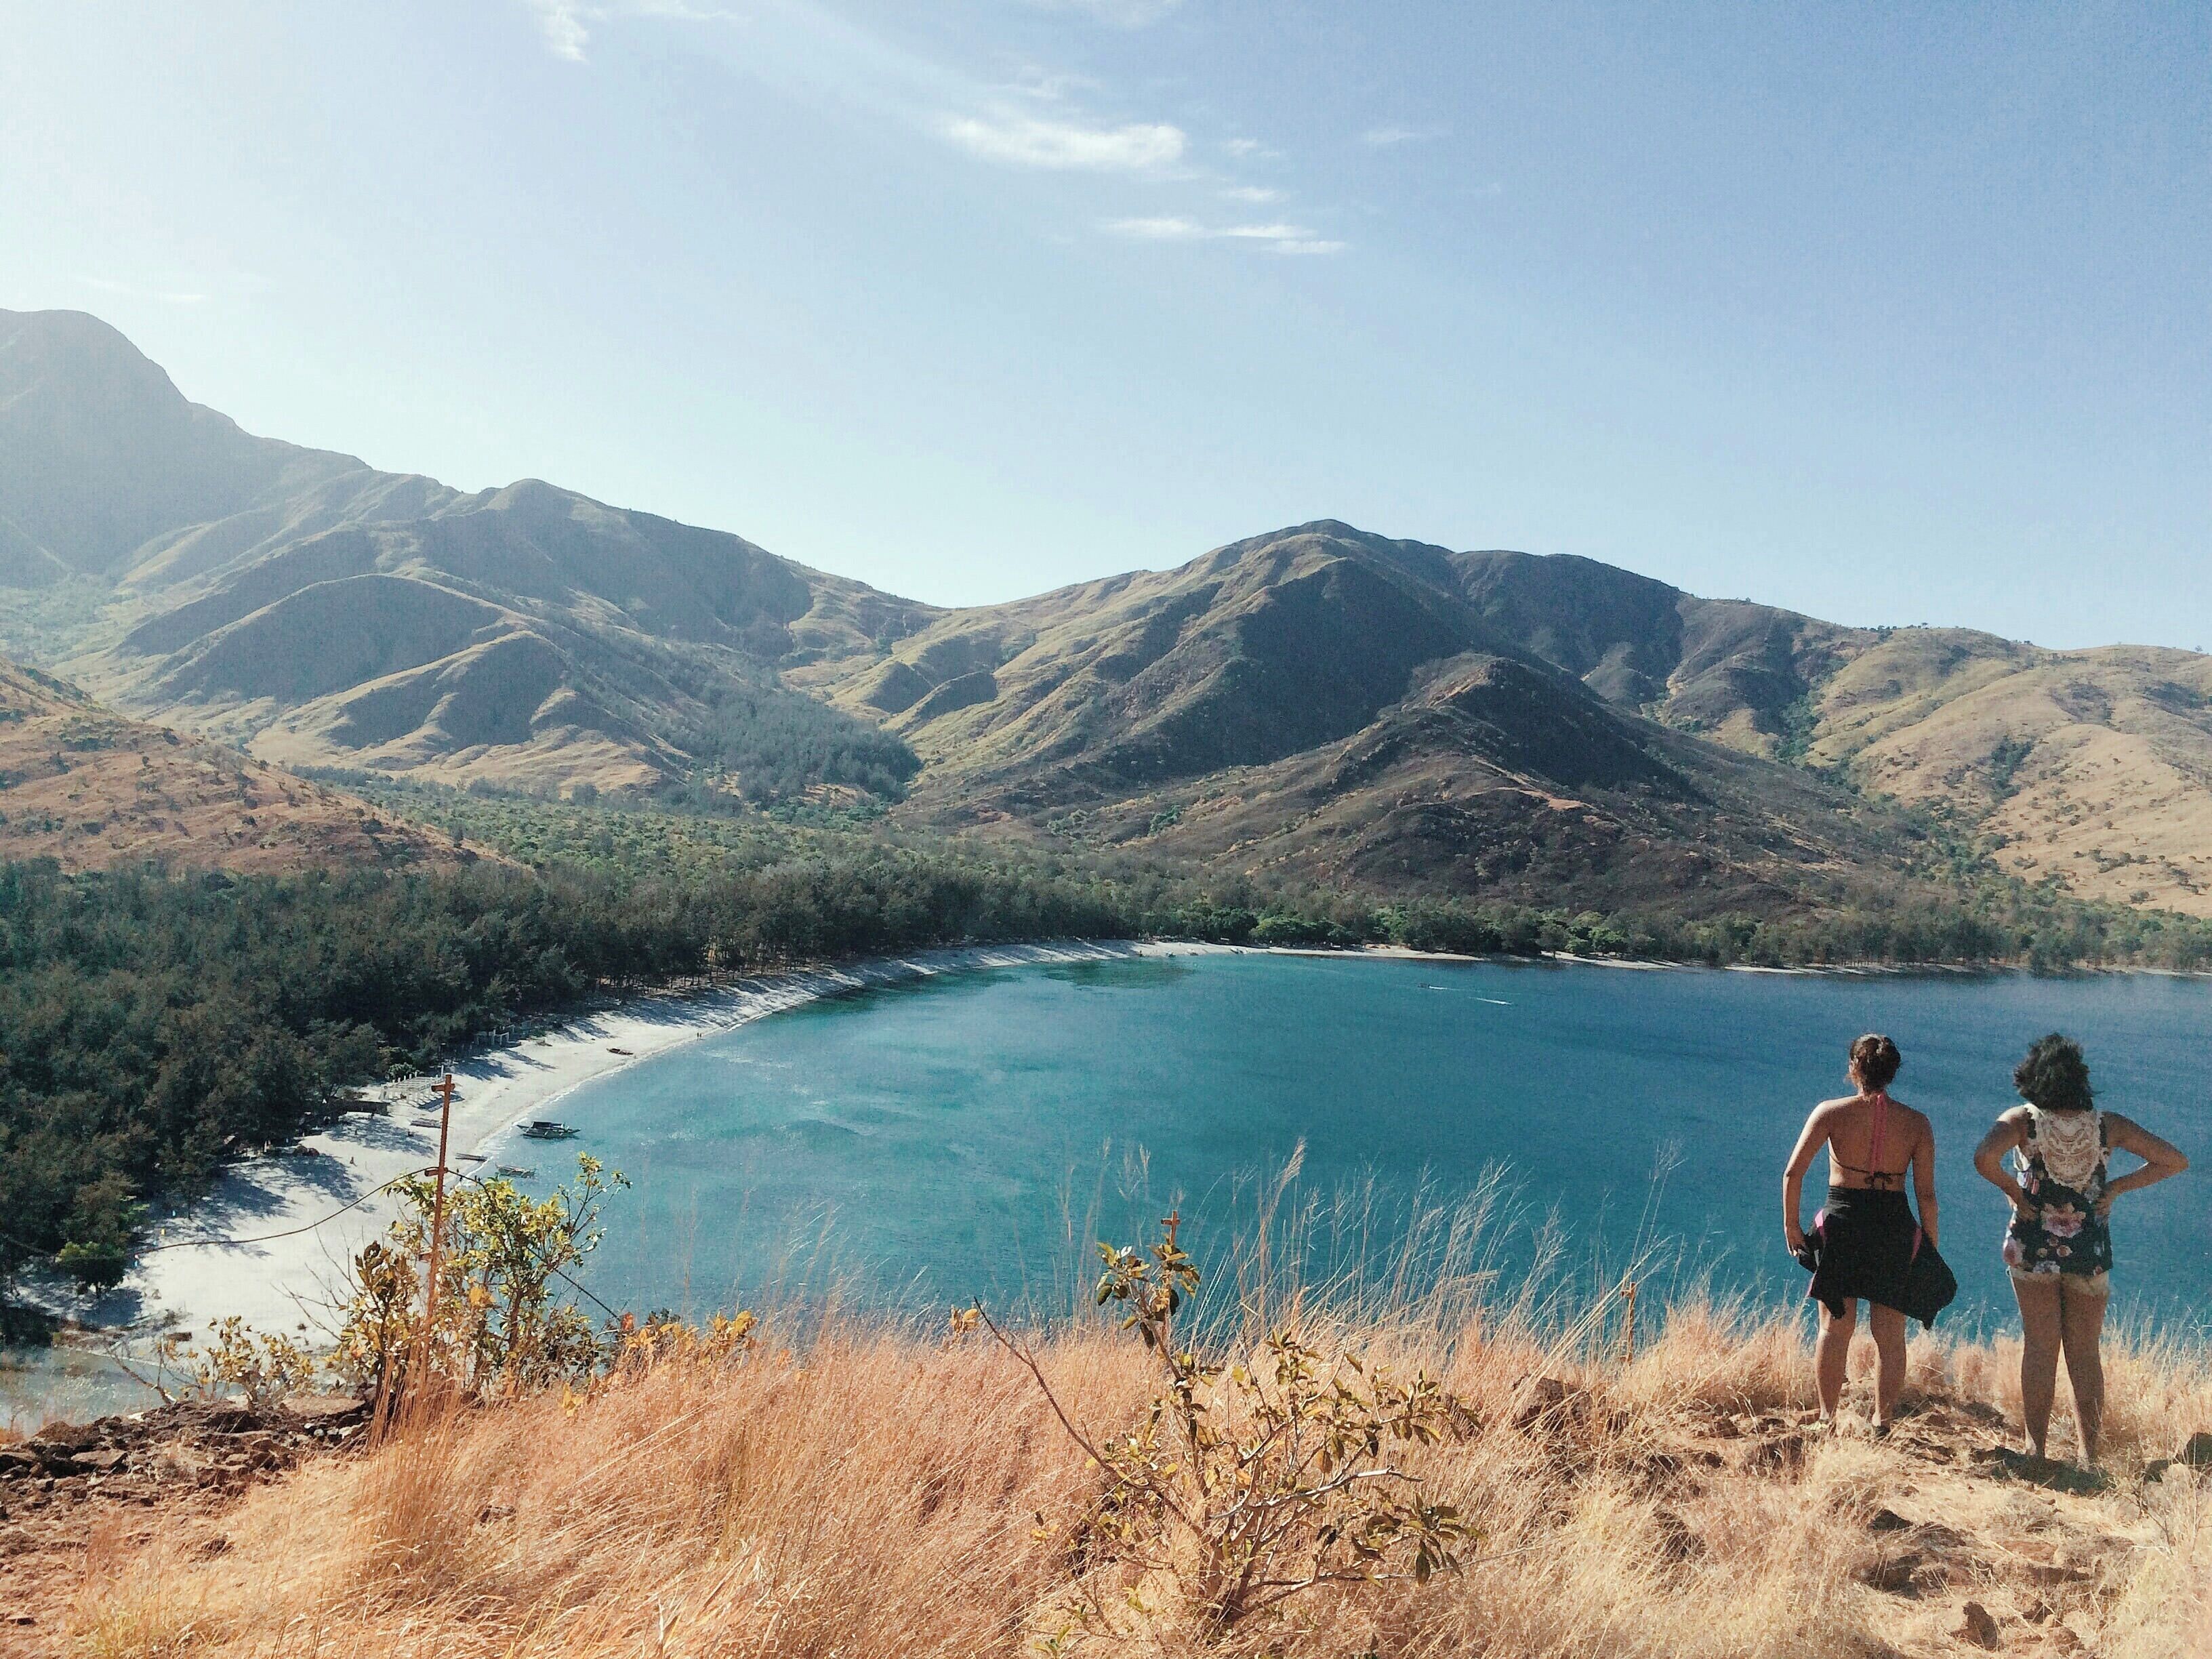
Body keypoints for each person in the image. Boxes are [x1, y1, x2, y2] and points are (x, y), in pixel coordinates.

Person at [1973, 1033, 2188, 1465]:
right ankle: (2090, 1457)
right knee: (2085, 1354)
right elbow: (2174, 1160)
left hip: (2032, 1246)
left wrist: (2017, 1194)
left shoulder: (2022, 1121)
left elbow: (1983, 1158)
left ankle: (2036, 1452)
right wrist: (2119, 1187)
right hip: (2089, 1249)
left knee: (2040, 1347)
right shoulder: (2108, 1125)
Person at [1782, 1033, 1938, 1433]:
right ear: (1893, 1073)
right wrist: (1929, 1249)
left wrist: (1792, 1227)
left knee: (1834, 1328)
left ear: (1854, 1068)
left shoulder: (1830, 1113)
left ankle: (1827, 1419)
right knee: (1890, 1334)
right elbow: (1926, 1195)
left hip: (1845, 1224)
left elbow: (1793, 1173)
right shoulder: (1917, 1124)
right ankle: (1883, 1421)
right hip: (1893, 1226)